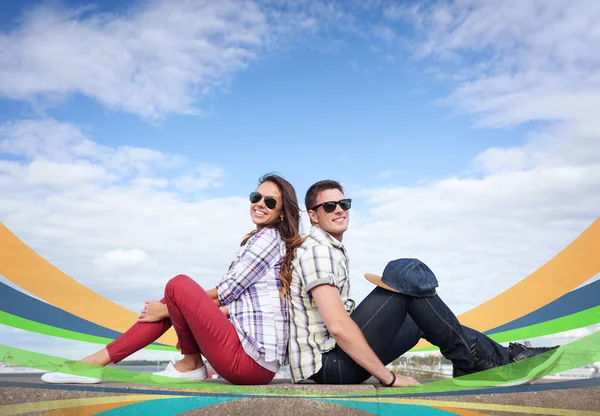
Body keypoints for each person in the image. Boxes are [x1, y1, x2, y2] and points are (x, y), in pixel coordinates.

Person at [288, 179, 558, 386]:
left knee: (418, 316)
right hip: (329, 366)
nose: (339, 211)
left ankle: (487, 361)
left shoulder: (330, 248)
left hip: (335, 363)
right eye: (330, 206)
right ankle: (499, 360)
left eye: (344, 204)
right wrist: (389, 378)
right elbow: (338, 326)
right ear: (313, 215)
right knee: (403, 278)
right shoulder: (317, 250)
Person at [42, 173, 303, 386]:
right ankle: (100, 361)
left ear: (281, 213)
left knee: (178, 285)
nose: (259, 204)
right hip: (253, 363)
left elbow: (226, 291)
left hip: (248, 363)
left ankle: (183, 362)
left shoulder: (268, 239)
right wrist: (173, 308)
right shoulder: (268, 241)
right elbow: (232, 305)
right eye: (256, 197)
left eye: (270, 202)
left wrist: (167, 309)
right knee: (175, 295)